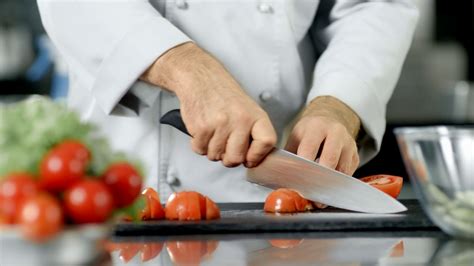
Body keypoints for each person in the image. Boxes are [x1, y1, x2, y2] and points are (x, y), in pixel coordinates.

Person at [37, 0, 418, 201]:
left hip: (279, 191)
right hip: (127, 183)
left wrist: (338, 102)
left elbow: (373, 4)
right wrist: (184, 67)